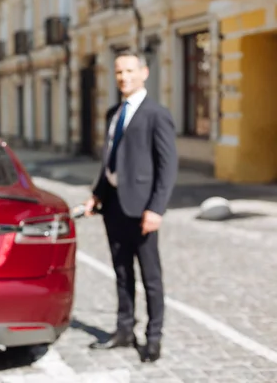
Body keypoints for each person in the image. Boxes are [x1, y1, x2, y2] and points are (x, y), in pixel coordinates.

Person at [82, 49, 177, 362]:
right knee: (121, 272)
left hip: (142, 210)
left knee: (151, 277)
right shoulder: (113, 113)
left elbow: (167, 166)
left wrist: (157, 209)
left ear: (144, 72)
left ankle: (154, 338)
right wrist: (97, 194)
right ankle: (124, 331)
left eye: (130, 71)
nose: (123, 77)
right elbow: (109, 161)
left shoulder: (156, 113)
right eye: (119, 72)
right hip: (113, 207)